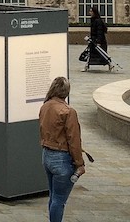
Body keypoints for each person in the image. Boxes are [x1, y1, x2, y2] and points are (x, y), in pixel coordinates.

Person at [38, 76, 85, 222]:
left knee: (53, 197)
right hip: (62, 159)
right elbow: (74, 141)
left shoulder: (45, 106)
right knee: (59, 200)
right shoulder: (68, 112)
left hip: (47, 156)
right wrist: (80, 164)